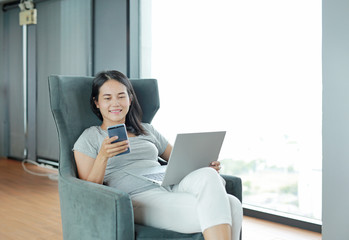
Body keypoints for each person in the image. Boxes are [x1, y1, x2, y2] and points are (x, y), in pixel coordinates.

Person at [73, 70, 243, 240]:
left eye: (121, 96)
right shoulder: (90, 137)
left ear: (130, 99)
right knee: (232, 206)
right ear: (96, 103)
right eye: (107, 98)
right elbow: (89, 190)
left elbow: (179, 159)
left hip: (169, 183)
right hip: (139, 197)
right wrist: (103, 156)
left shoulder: (146, 129)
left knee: (208, 174)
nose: (115, 103)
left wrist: (203, 164)